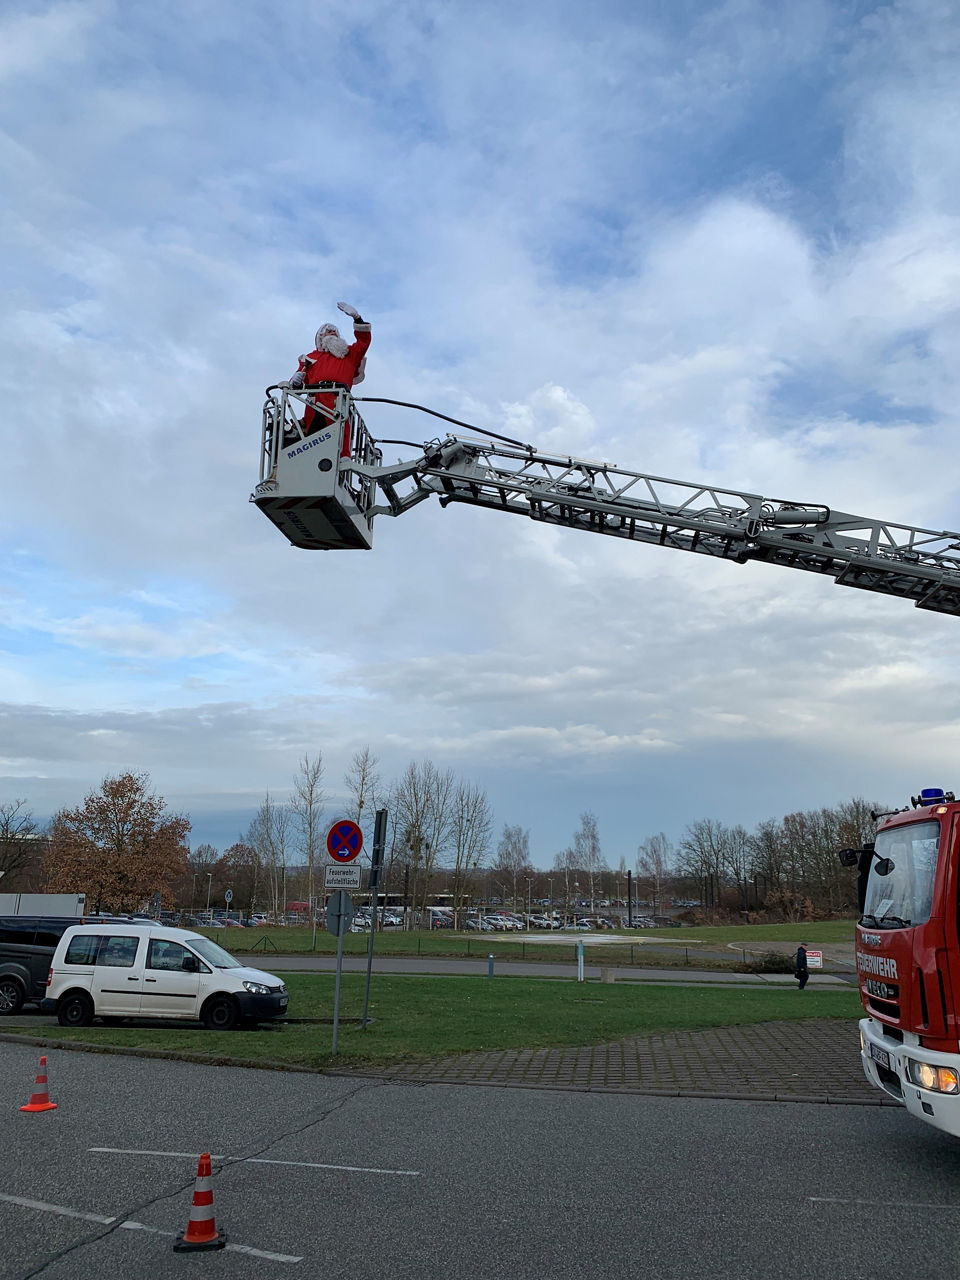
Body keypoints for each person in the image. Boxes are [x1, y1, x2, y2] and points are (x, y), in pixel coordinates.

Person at [284, 302, 371, 455]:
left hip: (338, 403)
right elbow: (295, 385)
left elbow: (364, 342)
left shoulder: (349, 354)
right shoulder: (311, 358)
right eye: (328, 332)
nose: (332, 333)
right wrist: (295, 380)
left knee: (339, 445)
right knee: (312, 444)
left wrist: (357, 318)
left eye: (334, 332)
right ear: (320, 338)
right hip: (316, 403)